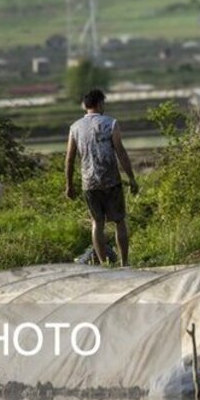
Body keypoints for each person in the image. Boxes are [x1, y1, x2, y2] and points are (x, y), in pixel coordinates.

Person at [65, 89, 140, 267]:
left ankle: (104, 264)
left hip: (89, 183)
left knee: (97, 223)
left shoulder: (75, 128)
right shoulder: (110, 123)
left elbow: (69, 158)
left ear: (85, 106)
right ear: (100, 104)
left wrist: (69, 185)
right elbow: (120, 152)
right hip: (111, 180)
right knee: (119, 221)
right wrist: (131, 178)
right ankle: (125, 263)